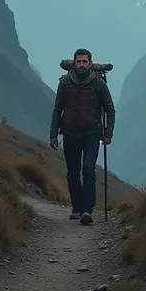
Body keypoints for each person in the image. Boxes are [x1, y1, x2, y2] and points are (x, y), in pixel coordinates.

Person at [49, 48, 116, 225]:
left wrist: (108, 134)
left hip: (92, 134)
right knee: (72, 174)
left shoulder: (98, 83)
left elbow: (110, 109)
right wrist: (53, 135)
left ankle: (87, 210)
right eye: (79, 61)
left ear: (90, 63)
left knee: (88, 169)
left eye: (85, 61)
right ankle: (77, 207)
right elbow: (58, 109)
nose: (82, 64)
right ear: (74, 62)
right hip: (70, 133)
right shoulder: (65, 82)